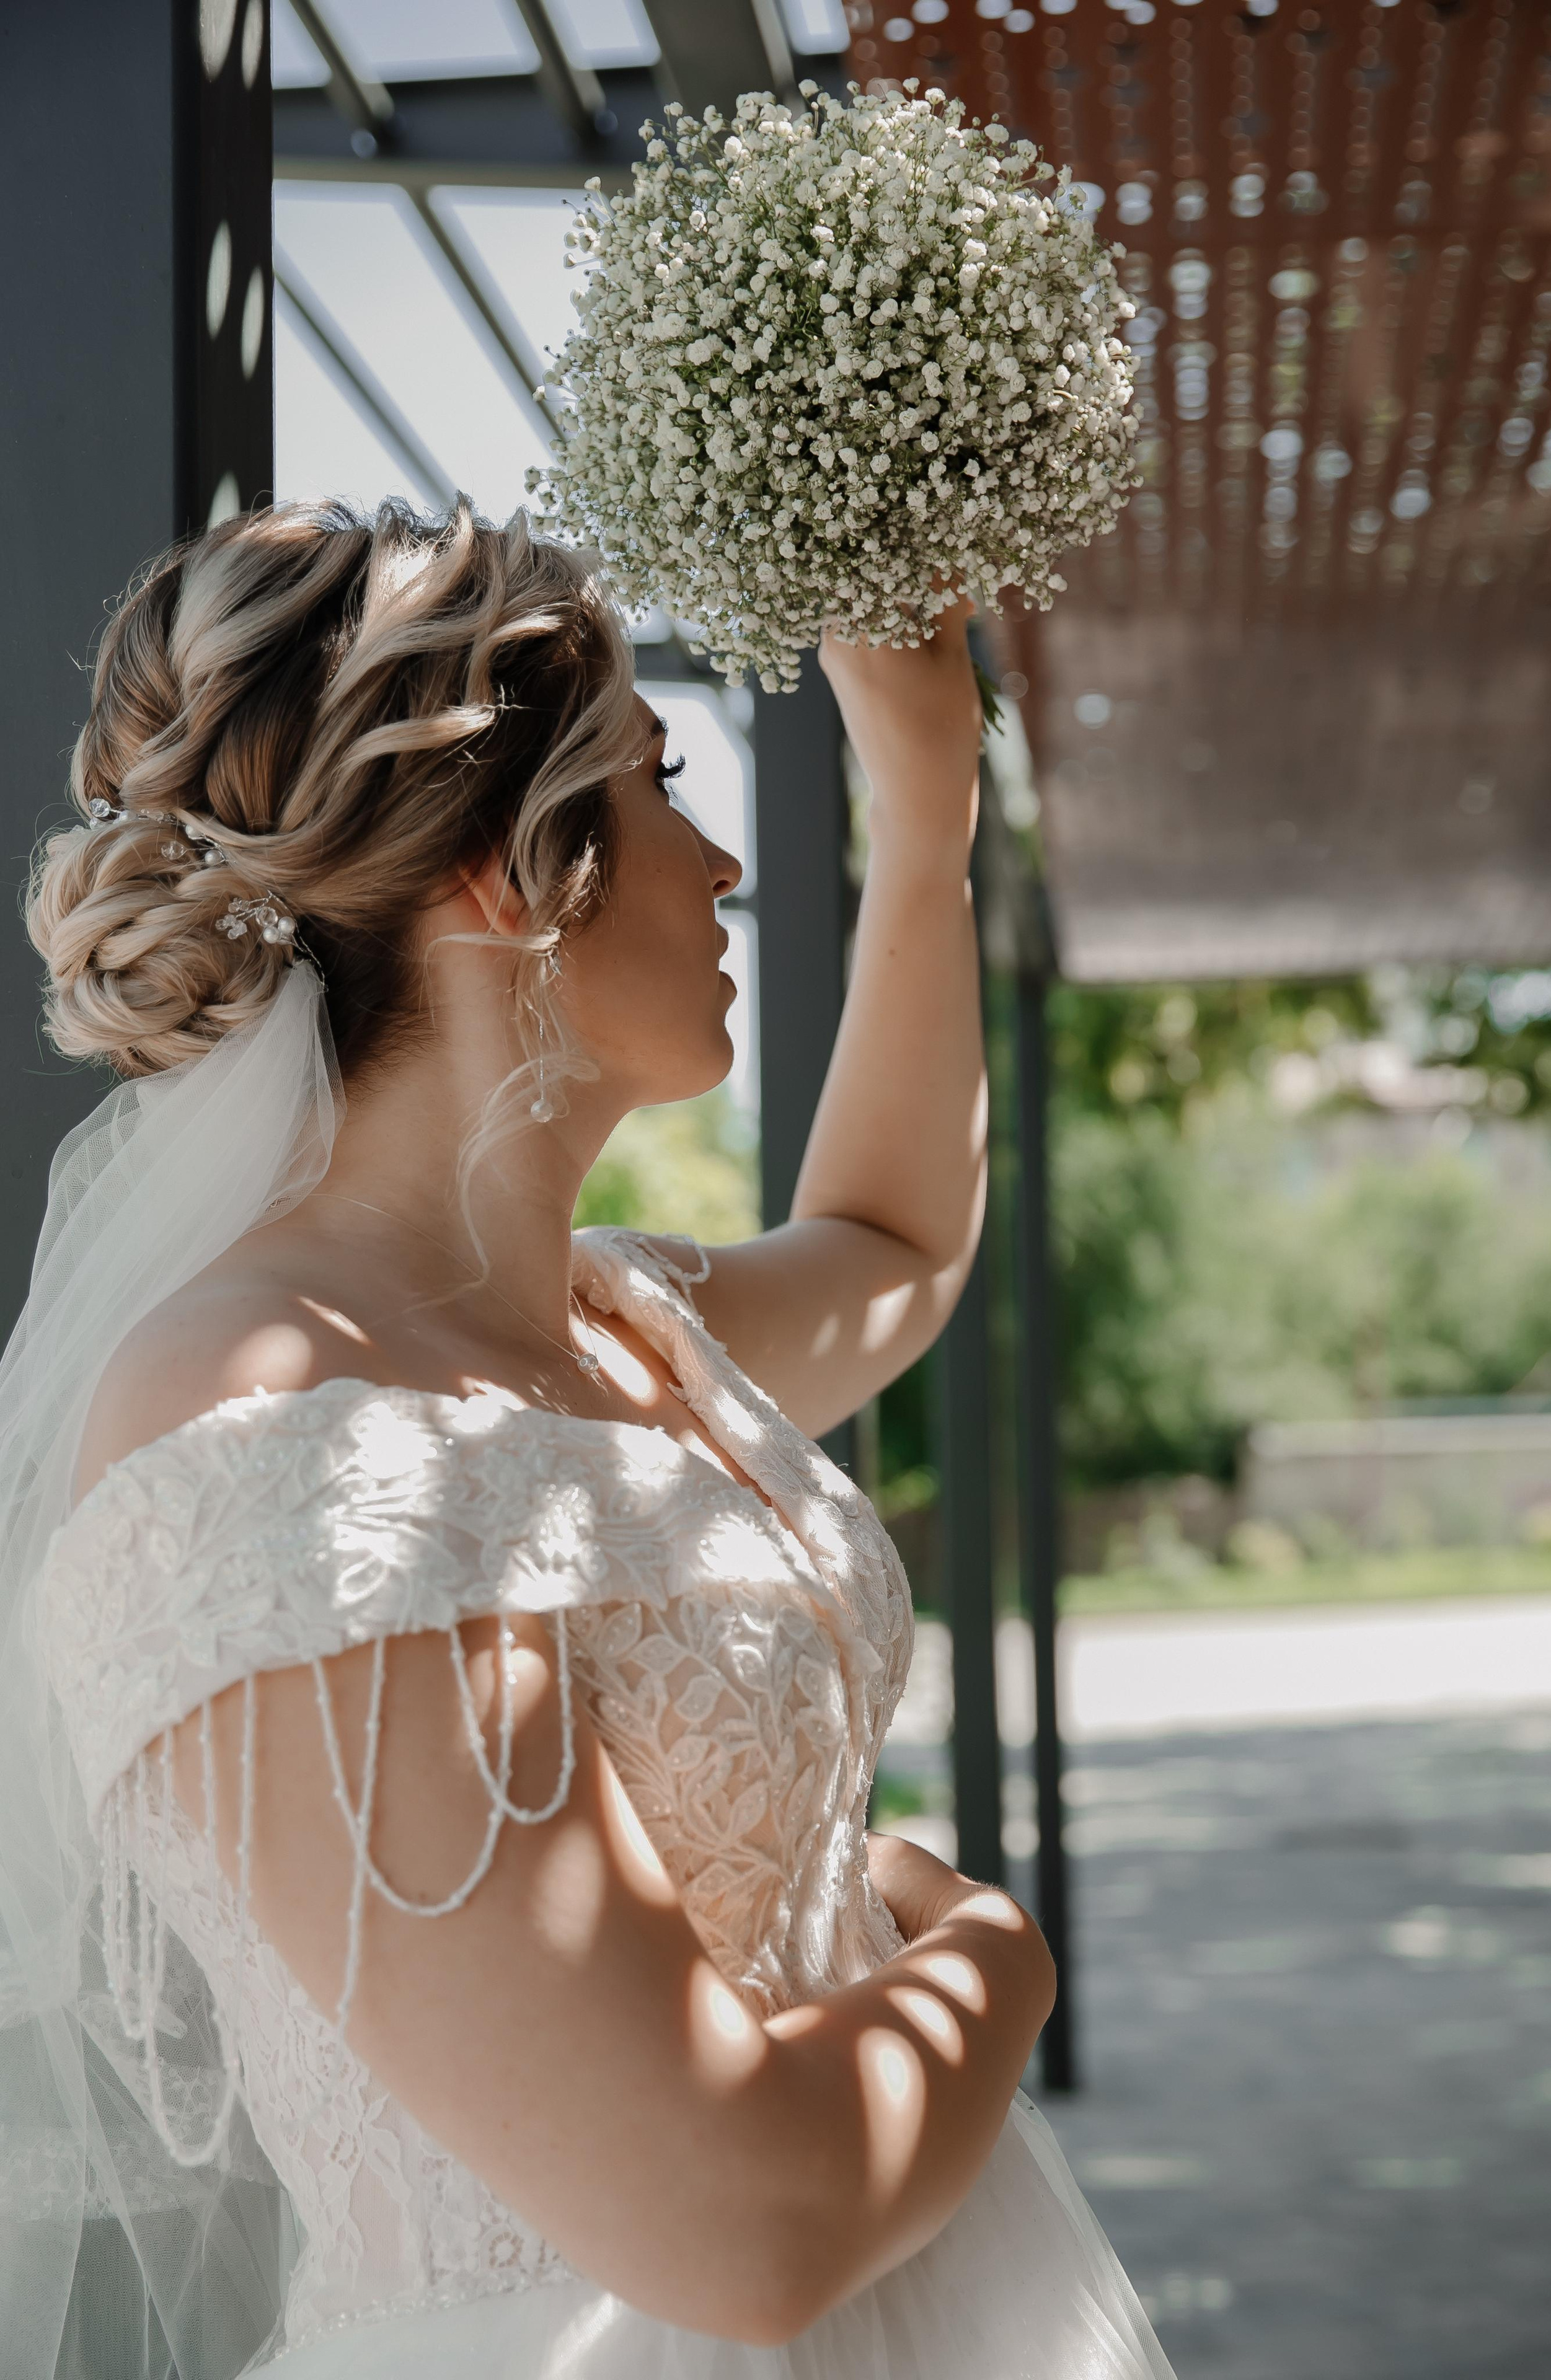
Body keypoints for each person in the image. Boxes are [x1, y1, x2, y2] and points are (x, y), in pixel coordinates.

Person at [3, 498, 1173, 2378]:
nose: (714, 861)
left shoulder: (629, 1327)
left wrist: (929, 810)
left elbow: (896, 1244)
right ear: (495, 867)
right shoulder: (268, 1427)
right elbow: (743, 2221)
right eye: (658, 781)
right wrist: (994, 1959)